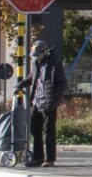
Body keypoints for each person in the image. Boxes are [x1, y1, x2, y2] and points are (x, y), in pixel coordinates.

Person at [16, 40, 66, 168]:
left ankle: (49, 159)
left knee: (49, 131)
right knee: (34, 129)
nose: (36, 57)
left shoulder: (54, 63)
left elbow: (62, 83)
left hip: (49, 102)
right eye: (35, 55)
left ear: (44, 52)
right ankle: (38, 158)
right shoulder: (35, 63)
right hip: (37, 101)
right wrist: (20, 84)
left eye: (38, 55)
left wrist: (55, 100)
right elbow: (32, 78)